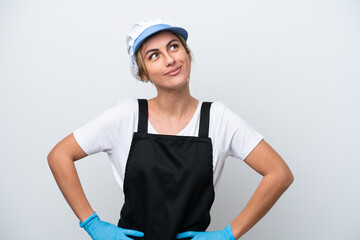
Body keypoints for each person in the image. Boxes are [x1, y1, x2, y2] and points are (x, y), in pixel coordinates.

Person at [47, 17, 294, 240]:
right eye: (153, 55)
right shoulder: (127, 115)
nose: (169, 59)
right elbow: (59, 155)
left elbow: (279, 173)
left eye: (174, 47)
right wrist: (92, 224)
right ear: (143, 74)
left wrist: (230, 234)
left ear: (187, 54)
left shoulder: (218, 118)